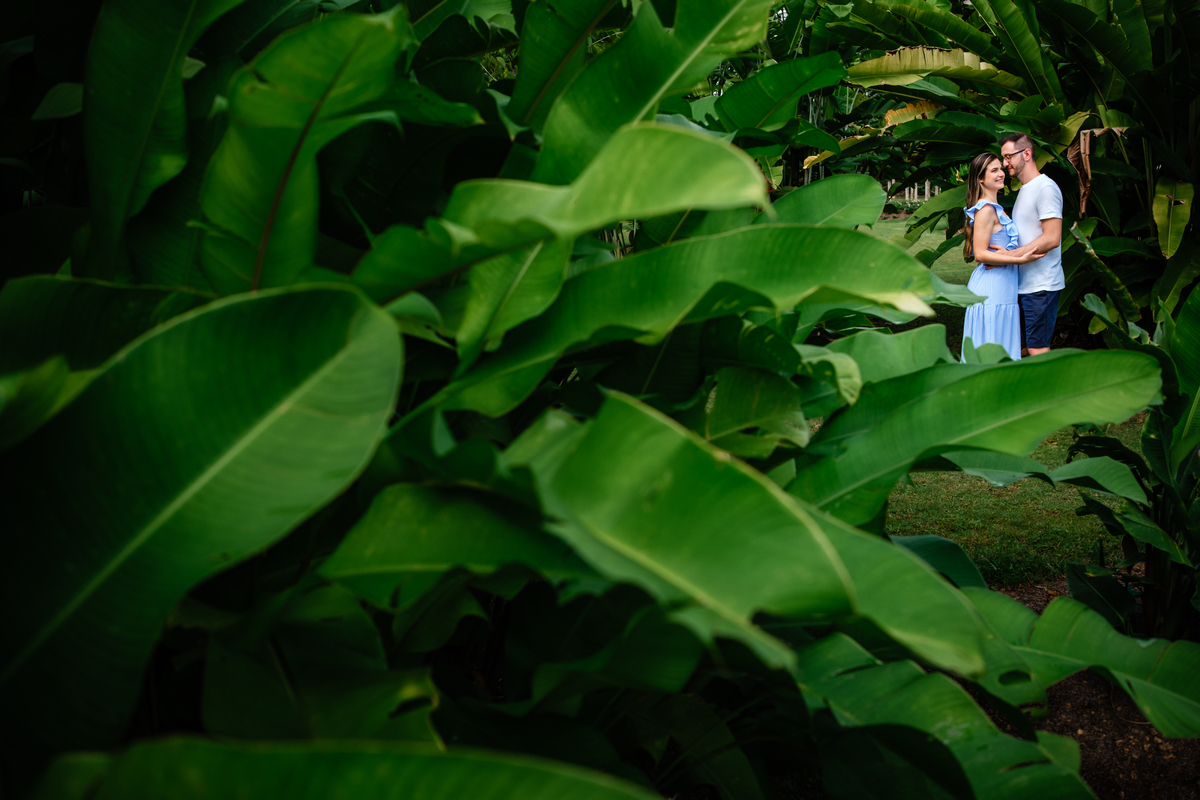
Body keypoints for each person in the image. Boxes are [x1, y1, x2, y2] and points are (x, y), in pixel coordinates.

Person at [961, 152, 1045, 360]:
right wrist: (1020, 259)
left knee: (1001, 350)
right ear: (981, 178)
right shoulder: (986, 210)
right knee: (991, 352)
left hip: (1004, 289)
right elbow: (980, 254)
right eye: (994, 170)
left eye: (1001, 168)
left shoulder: (996, 209)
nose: (1001, 174)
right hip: (992, 291)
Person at [998, 133, 1064, 356]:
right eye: (1003, 158)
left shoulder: (1045, 188)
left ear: (1026, 153)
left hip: (1041, 285)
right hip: (1025, 284)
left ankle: (1054, 391)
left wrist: (1010, 256)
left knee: (1038, 348)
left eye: (1008, 157)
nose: (1005, 163)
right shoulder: (1025, 189)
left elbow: (1052, 238)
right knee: (1027, 348)